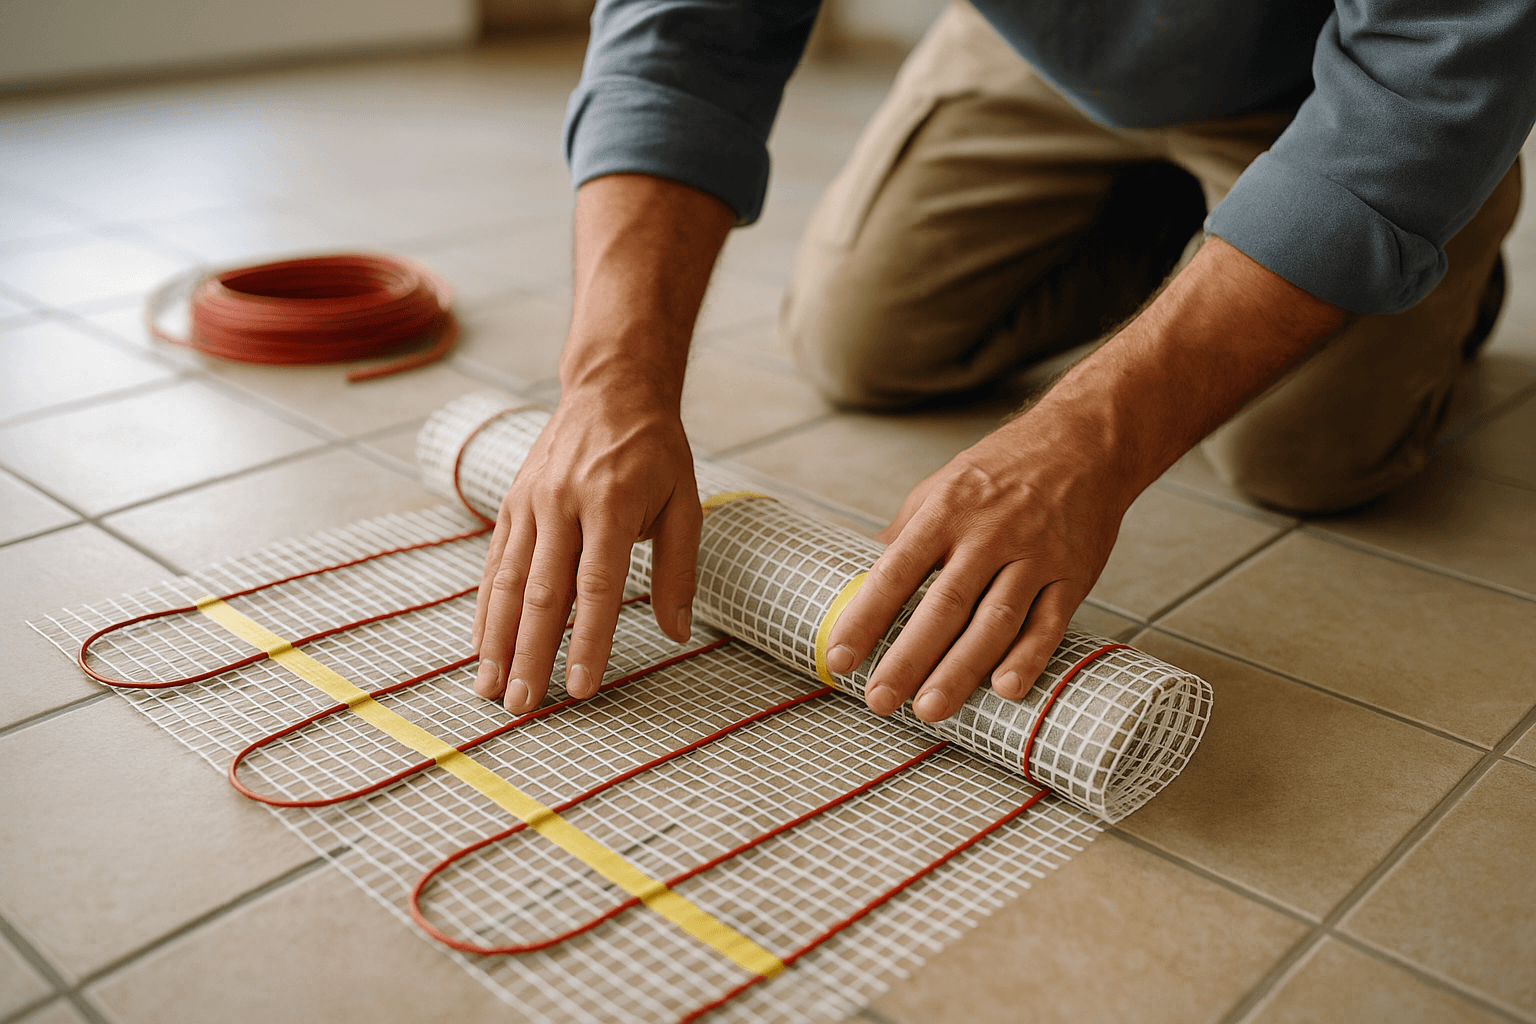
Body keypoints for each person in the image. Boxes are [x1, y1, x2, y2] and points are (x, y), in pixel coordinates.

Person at [470, 0, 1535, 725]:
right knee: (858, 344)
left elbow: (1427, 69)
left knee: (1302, 458)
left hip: (1336, 81)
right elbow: (686, 31)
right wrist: (611, 380)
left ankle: (1420, 255)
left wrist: (1089, 435)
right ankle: (1208, 243)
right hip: (1047, 51)